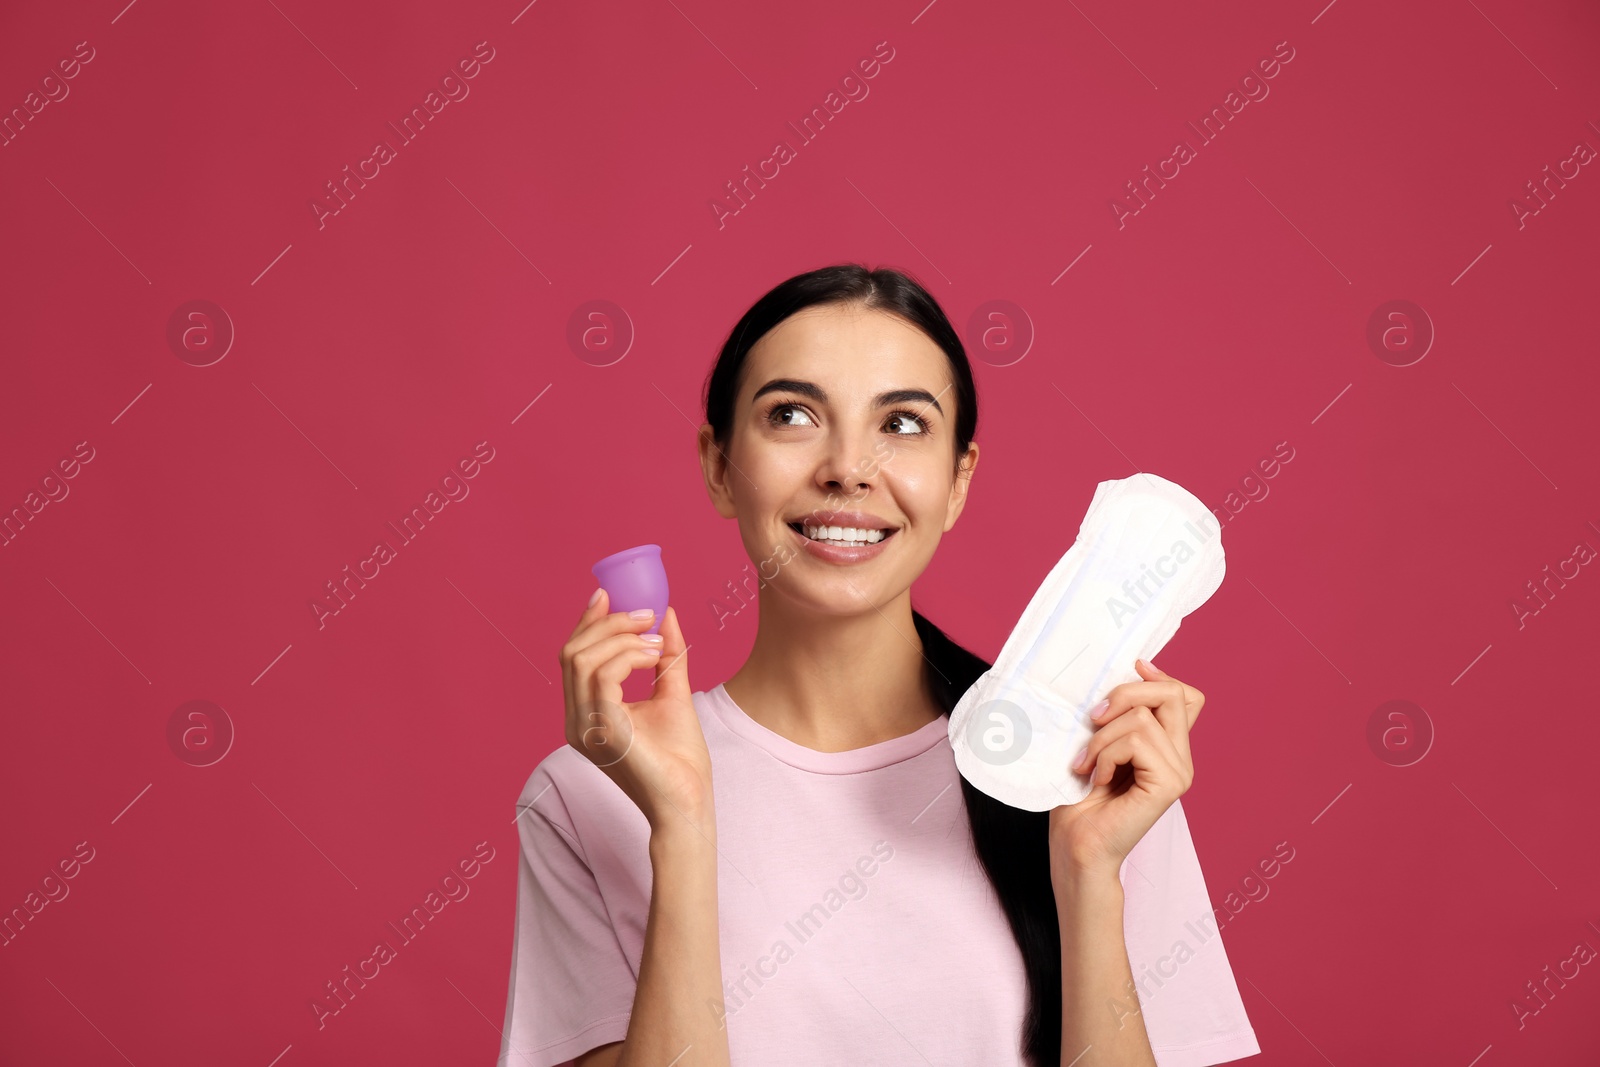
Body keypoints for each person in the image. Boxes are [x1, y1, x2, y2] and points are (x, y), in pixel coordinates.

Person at [497, 263, 1260, 1067]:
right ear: (719, 466)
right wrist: (682, 825)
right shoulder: (594, 790)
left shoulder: (1099, 771)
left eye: (902, 424)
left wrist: (1089, 875)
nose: (848, 467)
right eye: (791, 414)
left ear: (959, 480)